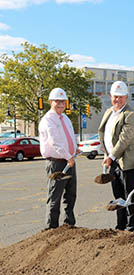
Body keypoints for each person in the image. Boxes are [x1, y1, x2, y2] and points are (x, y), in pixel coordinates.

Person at [98, 81, 134, 231]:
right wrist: (107, 155)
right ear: (111, 96)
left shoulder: (131, 114)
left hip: (127, 160)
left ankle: (131, 227)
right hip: (112, 160)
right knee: (118, 195)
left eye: (121, 97)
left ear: (126, 97)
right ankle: (120, 224)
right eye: (115, 97)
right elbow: (105, 136)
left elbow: (124, 139)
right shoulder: (109, 112)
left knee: (129, 195)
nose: (118, 100)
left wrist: (111, 156)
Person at [39, 88, 79, 229]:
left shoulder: (65, 118)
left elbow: (69, 137)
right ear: (51, 102)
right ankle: (52, 228)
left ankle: (69, 224)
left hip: (69, 160)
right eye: (57, 101)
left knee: (71, 194)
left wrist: (75, 148)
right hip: (57, 163)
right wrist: (69, 156)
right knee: (55, 195)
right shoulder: (48, 120)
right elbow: (55, 142)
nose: (61, 104)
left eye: (63, 101)